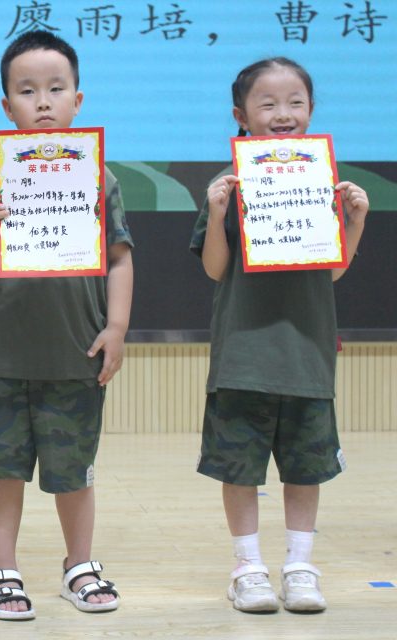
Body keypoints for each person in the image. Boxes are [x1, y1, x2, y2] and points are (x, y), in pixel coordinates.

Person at [0, 30, 133, 621]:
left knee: (74, 473)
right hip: (7, 359)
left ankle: (78, 565)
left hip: (76, 354)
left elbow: (119, 257)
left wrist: (116, 327)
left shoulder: (100, 177)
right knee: (3, 472)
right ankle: (2, 571)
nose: (42, 102)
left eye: (55, 89)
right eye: (27, 91)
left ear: (77, 101)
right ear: (7, 105)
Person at [191, 57, 369, 614]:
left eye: (295, 102)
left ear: (311, 110)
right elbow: (215, 269)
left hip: (307, 355)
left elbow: (332, 272)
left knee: (304, 468)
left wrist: (355, 221)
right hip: (243, 355)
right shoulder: (228, 184)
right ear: (241, 116)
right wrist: (217, 212)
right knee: (239, 469)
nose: (283, 113)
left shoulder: (323, 182)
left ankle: (299, 566)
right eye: (267, 104)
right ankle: (247, 568)